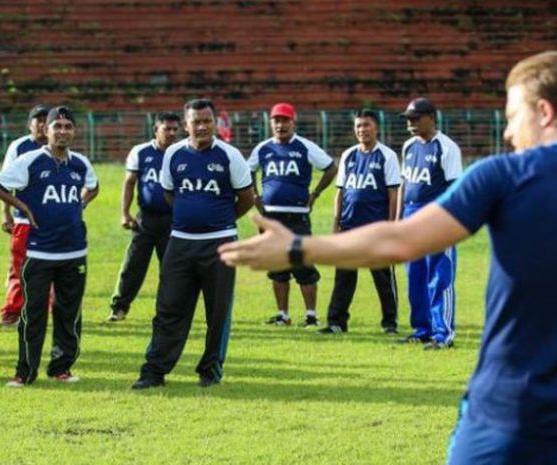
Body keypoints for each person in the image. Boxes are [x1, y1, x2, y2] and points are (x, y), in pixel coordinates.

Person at [219, 51, 557, 465]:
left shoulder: (505, 175)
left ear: (544, 112)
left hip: (511, 411)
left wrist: (297, 247)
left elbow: (398, 242)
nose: (507, 134)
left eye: (512, 117)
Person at [132, 98, 254, 390]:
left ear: (215, 123)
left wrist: (220, 221)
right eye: (196, 122)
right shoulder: (173, 154)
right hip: (181, 244)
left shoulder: (230, 155)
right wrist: (191, 219)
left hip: (220, 245)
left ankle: (210, 370)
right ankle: (154, 372)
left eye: (207, 121)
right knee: (168, 309)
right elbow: (170, 194)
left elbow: (247, 198)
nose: (202, 127)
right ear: (186, 125)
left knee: (218, 311)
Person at [0, 106, 99, 387]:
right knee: (33, 313)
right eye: (56, 126)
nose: (62, 131)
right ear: (46, 131)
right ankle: (25, 372)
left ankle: (61, 367)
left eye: (67, 126)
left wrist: (81, 203)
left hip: (74, 251)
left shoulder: (80, 163)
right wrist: (22, 207)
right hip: (38, 251)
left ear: (74, 131)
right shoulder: (30, 161)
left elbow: (94, 186)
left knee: (69, 312)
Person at [247, 102, 336, 327]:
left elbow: (330, 167)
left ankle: (311, 315)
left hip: (297, 216)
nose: (280, 125)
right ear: (271, 123)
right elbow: (248, 172)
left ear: (293, 122)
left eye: (285, 120)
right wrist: (255, 197)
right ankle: (283, 315)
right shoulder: (263, 148)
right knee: (277, 267)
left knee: (303, 264)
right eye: (276, 120)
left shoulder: (305, 147)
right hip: (271, 216)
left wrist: (315, 193)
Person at [319, 109, 400, 335]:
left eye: (366, 125)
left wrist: (393, 226)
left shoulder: (387, 155)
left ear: (376, 128)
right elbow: (341, 192)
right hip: (349, 226)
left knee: (383, 277)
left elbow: (394, 192)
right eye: (358, 126)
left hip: (376, 228)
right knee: (344, 276)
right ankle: (337, 322)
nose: (362, 130)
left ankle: (390, 322)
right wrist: (336, 225)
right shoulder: (349, 155)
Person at [398, 97, 463, 349]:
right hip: (410, 216)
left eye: (415, 119)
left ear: (431, 117)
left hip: (437, 218)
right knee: (415, 276)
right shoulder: (408, 147)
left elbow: (454, 189)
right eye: (408, 120)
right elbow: (405, 184)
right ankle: (422, 328)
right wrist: (399, 219)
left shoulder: (446, 148)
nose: (410, 124)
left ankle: (442, 333)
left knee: (439, 276)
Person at [107, 112, 181, 322]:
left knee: (171, 268)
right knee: (133, 265)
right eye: (167, 128)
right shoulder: (141, 152)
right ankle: (119, 308)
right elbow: (129, 182)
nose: (172, 133)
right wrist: (124, 213)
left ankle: (168, 311)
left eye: (175, 129)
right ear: (156, 129)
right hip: (145, 220)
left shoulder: (182, 153)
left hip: (173, 220)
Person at [0, 104, 49, 327]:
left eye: (47, 120)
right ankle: (12, 311)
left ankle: (41, 312)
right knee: (19, 266)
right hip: (23, 220)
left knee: (50, 267)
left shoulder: (59, 147)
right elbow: (3, 182)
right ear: (30, 124)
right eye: (38, 120)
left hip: (52, 221)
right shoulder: (19, 147)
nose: (43, 125)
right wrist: (5, 212)